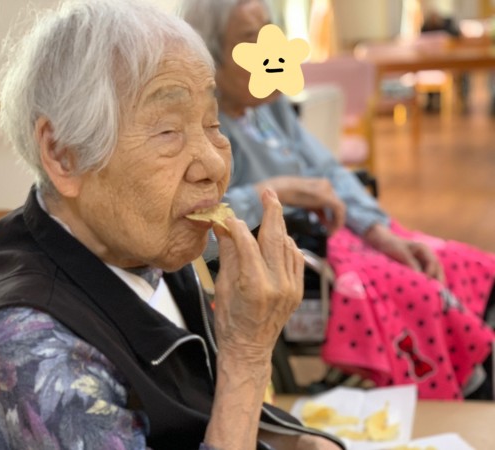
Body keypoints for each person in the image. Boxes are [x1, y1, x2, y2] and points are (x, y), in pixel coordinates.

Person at [0, 1, 345, 449]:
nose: (213, 164)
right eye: (168, 131)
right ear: (62, 154)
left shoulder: (144, 243)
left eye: (212, 123)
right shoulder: (29, 350)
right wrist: (247, 355)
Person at [181, 0, 495, 400]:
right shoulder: (204, 130)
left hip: (346, 233)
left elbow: (328, 169)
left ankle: (479, 372)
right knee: (427, 293)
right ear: (213, 57)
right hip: (309, 255)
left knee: (473, 266)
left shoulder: (269, 104)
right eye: (249, 39)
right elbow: (199, 224)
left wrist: (378, 231)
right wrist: (275, 191)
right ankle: (471, 388)